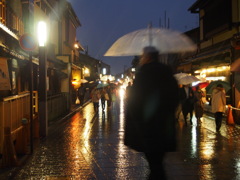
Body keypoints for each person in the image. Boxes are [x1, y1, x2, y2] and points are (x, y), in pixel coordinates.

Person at [124, 46, 179, 180]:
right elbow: (175, 96)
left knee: (155, 164)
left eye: (143, 56)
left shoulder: (143, 73)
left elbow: (136, 101)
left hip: (148, 126)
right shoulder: (167, 71)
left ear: (147, 57)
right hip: (165, 126)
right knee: (157, 162)